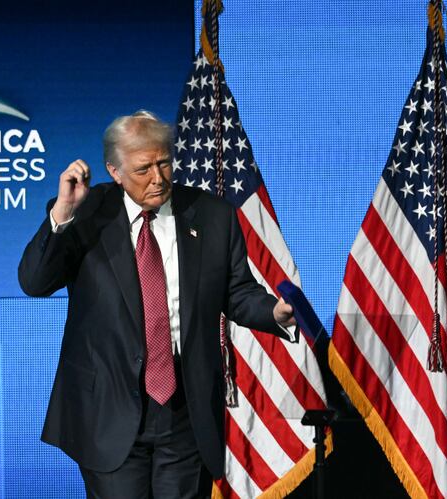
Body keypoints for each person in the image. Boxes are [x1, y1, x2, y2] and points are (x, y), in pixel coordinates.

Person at [18, 110, 296, 498]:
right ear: (114, 172)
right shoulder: (86, 214)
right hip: (108, 409)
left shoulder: (213, 216)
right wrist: (62, 214)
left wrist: (273, 312)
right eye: (143, 169)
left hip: (185, 408)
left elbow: (236, 292)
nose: (158, 178)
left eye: (164, 162)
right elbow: (34, 282)